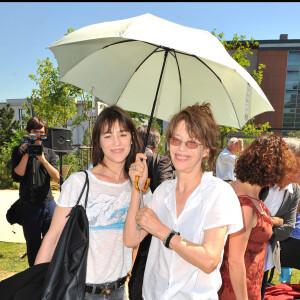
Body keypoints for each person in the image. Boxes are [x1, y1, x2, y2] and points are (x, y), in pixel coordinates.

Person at [124, 102, 244, 300]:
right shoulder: (163, 192)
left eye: (192, 143)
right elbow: (131, 239)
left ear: (206, 150)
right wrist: (137, 186)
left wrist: (162, 231)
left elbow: (209, 260)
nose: (181, 149)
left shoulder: (218, 193)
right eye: (176, 140)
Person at [34, 105, 143, 299]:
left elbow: (134, 241)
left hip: (118, 291)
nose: (116, 142)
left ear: (132, 138)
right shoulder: (80, 182)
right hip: (80, 291)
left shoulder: (137, 186)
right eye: (108, 135)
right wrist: (36, 286)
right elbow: (52, 238)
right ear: (98, 142)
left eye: (123, 134)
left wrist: (138, 186)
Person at [218, 135, 298, 300]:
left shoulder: (249, 196)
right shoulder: (246, 204)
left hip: (249, 283)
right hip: (237, 289)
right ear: (272, 168)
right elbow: (234, 261)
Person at [129, 125, 174, 300]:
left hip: (132, 226)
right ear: (156, 145)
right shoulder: (161, 161)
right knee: (141, 276)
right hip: (149, 231)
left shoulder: (128, 159)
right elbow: (166, 191)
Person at [11, 117, 60, 266]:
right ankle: (34, 281)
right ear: (28, 133)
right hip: (29, 205)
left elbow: (57, 178)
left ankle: (50, 278)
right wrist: (26, 154)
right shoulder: (18, 151)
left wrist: (43, 159)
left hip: (48, 205)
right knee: (33, 247)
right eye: (35, 132)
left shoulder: (49, 153)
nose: (38, 136)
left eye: (41, 132)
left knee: (52, 245)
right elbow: (17, 176)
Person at [261, 137, 300, 298]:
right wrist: (276, 221)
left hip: (269, 252)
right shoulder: (260, 185)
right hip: (247, 256)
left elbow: (288, 227)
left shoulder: (293, 191)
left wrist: (267, 221)